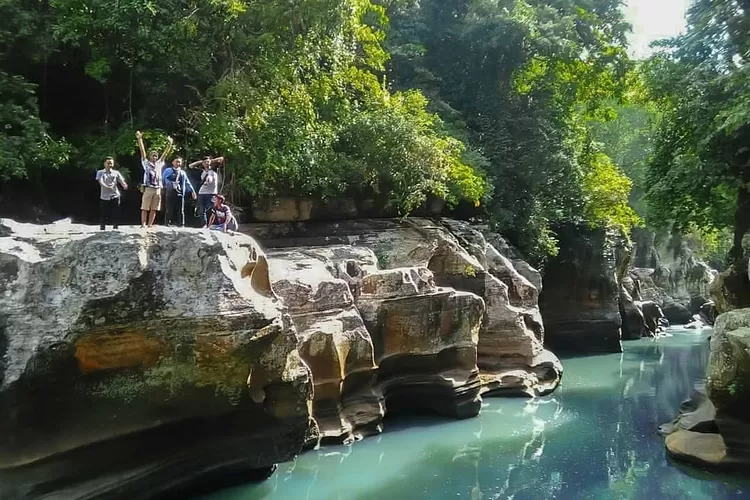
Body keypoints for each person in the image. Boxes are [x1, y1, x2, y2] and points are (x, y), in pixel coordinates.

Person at [136, 130, 173, 227]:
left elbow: (165, 155)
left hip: (157, 188)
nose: (155, 157)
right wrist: (140, 139)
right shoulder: (146, 163)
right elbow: (142, 152)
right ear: (150, 156)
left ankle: (150, 224)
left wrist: (169, 144)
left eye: (156, 155)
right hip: (148, 187)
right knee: (145, 207)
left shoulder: (159, 164)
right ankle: (143, 224)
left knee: (154, 208)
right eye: (153, 155)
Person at [188, 155, 224, 228]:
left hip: (212, 193)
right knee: (202, 210)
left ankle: (214, 224)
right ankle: (204, 225)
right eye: (205, 162)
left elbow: (221, 158)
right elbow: (190, 166)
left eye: (208, 162)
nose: (206, 163)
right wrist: (201, 162)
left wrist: (211, 161)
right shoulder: (201, 171)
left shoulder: (214, 169)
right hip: (202, 193)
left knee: (213, 209)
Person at [162, 157, 197, 227]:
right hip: (170, 192)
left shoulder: (182, 172)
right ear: (173, 162)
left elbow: (187, 182)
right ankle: (167, 223)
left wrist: (192, 191)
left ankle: (181, 224)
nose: (177, 163)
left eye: (179, 162)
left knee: (180, 210)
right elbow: (163, 179)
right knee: (169, 209)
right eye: (176, 161)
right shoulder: (168, 170)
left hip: (180, 192)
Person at [95, 156, 128, 230]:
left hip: (115, 195)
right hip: (104, 196)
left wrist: (124, 185)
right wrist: (107, 186)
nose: (110, 165)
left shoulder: (116, 173)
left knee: (116, 212)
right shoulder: (100, 172)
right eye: (108, 163)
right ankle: (102, 228)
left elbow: (122, 181)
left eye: (111, 163)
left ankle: (115, 228)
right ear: (104, 163)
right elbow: (100, 181)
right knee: (104, 213)